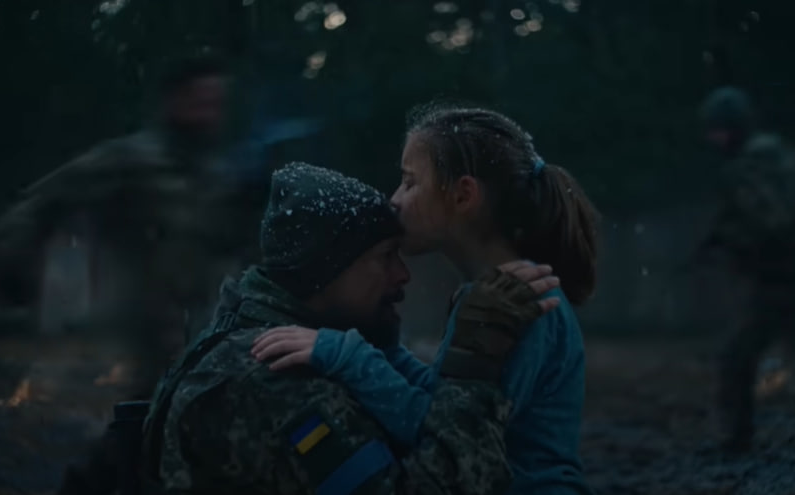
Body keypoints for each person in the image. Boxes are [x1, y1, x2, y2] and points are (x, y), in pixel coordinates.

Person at [142, 162, 561, 494]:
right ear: (325, 271)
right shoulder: (273, 373)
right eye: (385, 256)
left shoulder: (264, 334)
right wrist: (471, 365)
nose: (402, 275)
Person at [252, 104, 599, 494]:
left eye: (410, 182)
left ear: (463, 195)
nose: (394, 199)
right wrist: (385, 349)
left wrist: (348, 356)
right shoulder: (490, 294)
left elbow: (436, 429)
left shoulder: (521, 301)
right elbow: (445, 398)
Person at [33, 53, 249, 495]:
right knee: (147, 420)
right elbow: (48, 200)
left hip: (196, 324)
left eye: (216, 104)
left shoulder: (211, 171)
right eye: (199, 102)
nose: (209, 115)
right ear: (174, 101)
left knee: (173, 422)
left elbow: (221, 245)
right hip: (147, 321)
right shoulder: (132, 159)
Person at [696, 86, 795, 451]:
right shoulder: (782, 158)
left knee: (736, 359)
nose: (713, 139)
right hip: (775, 276)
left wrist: (731, 239)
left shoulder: (746, 169)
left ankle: (736, 439)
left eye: (719, 130)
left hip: (776, 279)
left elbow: (772, 224)